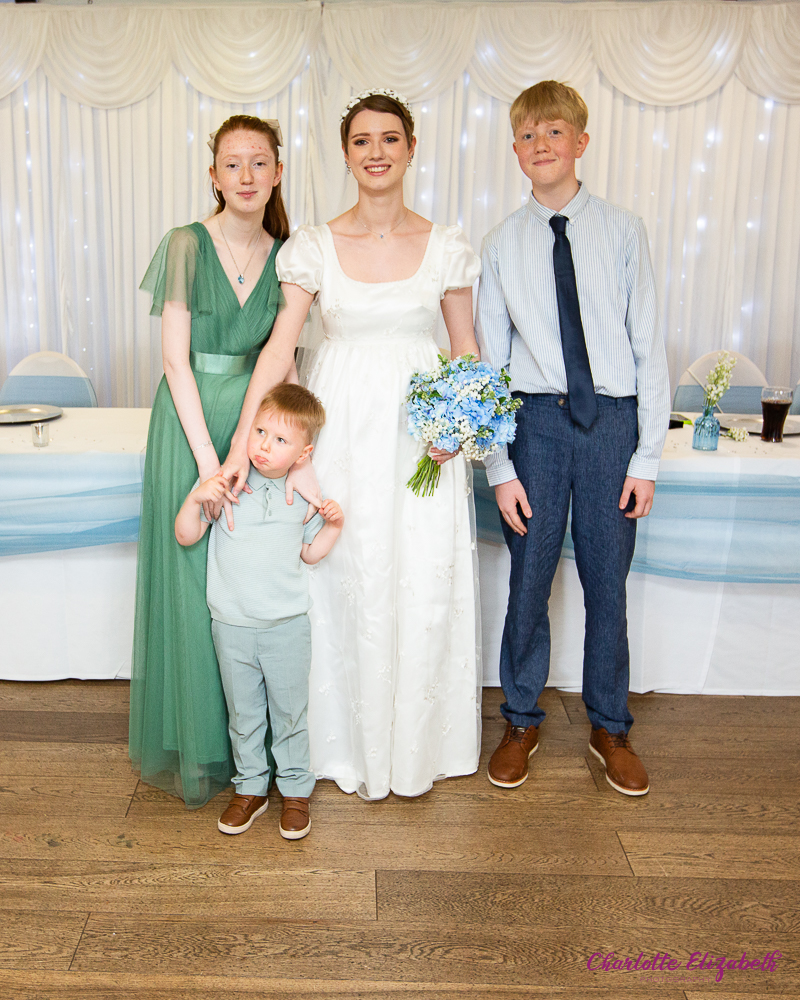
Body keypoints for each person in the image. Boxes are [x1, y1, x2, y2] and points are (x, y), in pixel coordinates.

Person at [223, 88, 483, 800]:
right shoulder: (311, 246)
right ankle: (331, 746)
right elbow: (280, 352)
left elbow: (464, 351)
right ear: (346, 154)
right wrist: (245, 443)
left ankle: (418, 745)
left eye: (390, 139)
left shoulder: (447, 245)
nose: (376, 152)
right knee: (341, 570)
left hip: (419, 437)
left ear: (410, 149)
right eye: (363, 140)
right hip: (334, 429)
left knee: (417, 570)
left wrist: (455, 429)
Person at [476, 80, 671, 797]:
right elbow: (489, 366)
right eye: (526, 135)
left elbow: (648, 347)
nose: (540, 146)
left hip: (610, 424)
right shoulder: (500, 244)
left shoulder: (623, 232)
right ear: (516, 149)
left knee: (604, 579)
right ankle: (521, 717)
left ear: (581, 142)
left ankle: (609, 725)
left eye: (553, 133)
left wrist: (645, 456)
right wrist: (499, 464)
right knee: (529, 577)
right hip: (534, 424)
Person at [129, 115, 294, 809]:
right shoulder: (185, 245)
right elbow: (174, 358)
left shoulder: (290, 256)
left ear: (278, 172)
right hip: (188, 424)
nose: (247, 176)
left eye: (260, 163)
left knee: (245, 582)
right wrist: (206, 464)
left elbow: (279, 358)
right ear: (214, 174)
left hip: (254, 429)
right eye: (233, 164)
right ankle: (204, 745)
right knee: (194, 578)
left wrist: (241, 450)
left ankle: (255, 751)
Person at [174, 383, 344, 839]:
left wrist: (333, 526)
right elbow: (186, 535)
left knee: (289, 713)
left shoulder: (303, 495)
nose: (265, 445)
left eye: (281, 440)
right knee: (244, 714)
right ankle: (250, 787)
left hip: (286, 626)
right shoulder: (228, 484)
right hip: (231, 625)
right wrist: (195, 498)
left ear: (303, 453)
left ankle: (294, 790)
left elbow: (310, 555)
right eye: (260, 431)